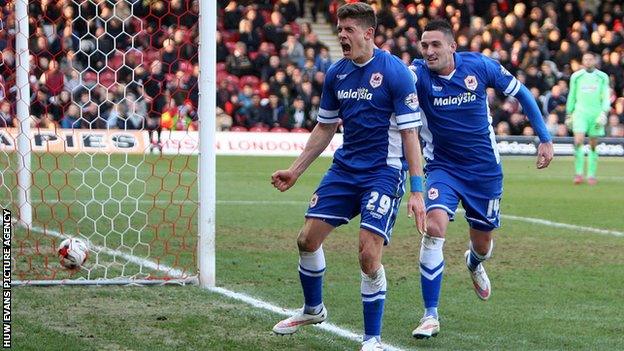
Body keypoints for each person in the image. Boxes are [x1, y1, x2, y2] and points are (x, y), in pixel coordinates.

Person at [270, 3, 426, 351]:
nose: (341, 35)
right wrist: (295, 171)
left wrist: (417, 191)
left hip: (383, 173)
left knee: (368, 254)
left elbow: (410, 135)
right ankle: (313, 309)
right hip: (345, 169)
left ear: (368, 33)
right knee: (307, 240)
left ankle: (372, 339)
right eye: (339, 28)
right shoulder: (337, 73)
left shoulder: (395, 72)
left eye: (349, 29)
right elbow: (325, 127)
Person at [408, 20, 554, 339]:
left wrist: (544, 137)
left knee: (483, 244)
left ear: (451, 47)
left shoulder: (480, 66)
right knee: (433, 228)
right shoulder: (417, 75)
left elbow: (523, 94)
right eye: (424, 45)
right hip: (442, 168)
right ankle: (430, 314)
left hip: (484, 172)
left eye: (435, 45)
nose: (429, 51)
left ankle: (474, 262)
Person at [566, 52, 611, 185]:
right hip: (580, 113)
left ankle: (591, 174)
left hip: (596, 114)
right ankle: (579, 174)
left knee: (593, 144)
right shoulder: (576, 76)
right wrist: (569, 113)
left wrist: (604, 112)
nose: (588, 61)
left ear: (595, 61)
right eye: (585, 59)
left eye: (590, 59)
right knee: (578, 141)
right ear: (582, 61)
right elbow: (572, 95)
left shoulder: (602, 77)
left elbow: (606, 95)